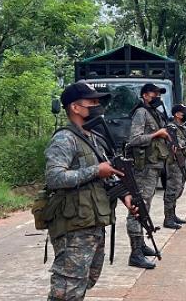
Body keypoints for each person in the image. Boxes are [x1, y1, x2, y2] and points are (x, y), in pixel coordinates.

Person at [43, 80, 137, 301]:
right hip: (73, 225)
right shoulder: (64, 139)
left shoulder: (94, 137)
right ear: (75, 107)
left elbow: (108, 173)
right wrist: (96, 170)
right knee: (67, 287)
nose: (98, 106)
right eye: (92, 102)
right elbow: (54, 178)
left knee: (87, 278)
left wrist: (125, 195)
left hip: (92, 221)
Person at [125, 83, 171, 269]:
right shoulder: (141, 113)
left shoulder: (154, 113)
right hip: (143, 169)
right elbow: (134, 140)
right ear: (145, 95)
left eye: (159, 94)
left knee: (146, 206)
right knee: (138, 208)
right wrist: (156, 134)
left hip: (153, 167)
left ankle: (141, 245)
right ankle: (135, 254)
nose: (158, 96)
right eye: (154, 93)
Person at [162, 104, 186, 229]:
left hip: (181, 161)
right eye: (183, 112)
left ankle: (173, 215)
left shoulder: (182, 128)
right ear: (177, 114)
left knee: (179, 189)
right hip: (173, 162)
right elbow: (176, 144)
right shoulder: (171, 127)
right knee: (172, 190)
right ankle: (168, 218)